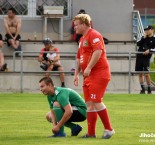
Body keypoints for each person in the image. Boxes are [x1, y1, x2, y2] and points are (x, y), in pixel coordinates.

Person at [73, 14, 115, 139]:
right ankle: (91, 133)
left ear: (84, 24)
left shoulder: (94, 34)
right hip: (88, 76)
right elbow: (78, 58)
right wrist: (76, 74)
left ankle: (109, 129)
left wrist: (89, 67)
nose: (75, 27)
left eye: (76, 25)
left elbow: (98, 51)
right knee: (89, 104)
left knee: (96, 101)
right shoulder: (81, 40)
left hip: (99, 73)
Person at [135, 25, 155, 94]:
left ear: (152, 30)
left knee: (146, 73)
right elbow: (138, 44)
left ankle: (149, 88)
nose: (146, 31)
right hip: (139, 56)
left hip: (146, 58)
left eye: (148, 30)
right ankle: (142, 88)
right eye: (145, 30)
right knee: (140, 73)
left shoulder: (154, 39)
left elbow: (154, 48)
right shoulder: (143, 37)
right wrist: (143, 37)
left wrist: (149, 50)